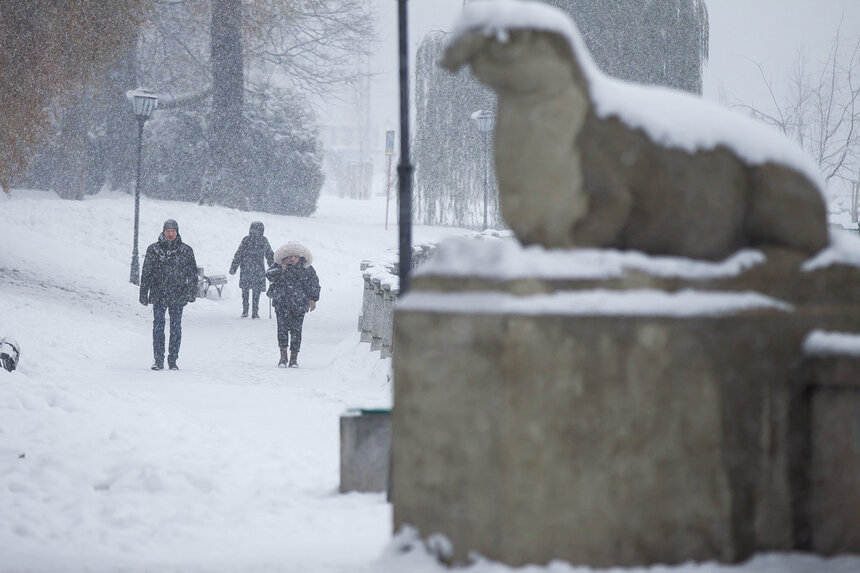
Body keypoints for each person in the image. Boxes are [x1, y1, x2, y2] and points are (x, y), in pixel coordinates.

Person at [139, 219, 198, 371]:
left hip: (178, 293)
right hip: (159, 293)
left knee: (176, 328)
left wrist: (192, 291)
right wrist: (143, 293)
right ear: (163, 232)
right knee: (158, 326)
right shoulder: (154, 249)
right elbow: (146, 272)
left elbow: (192, 273)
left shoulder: (186, 250)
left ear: (177, 232)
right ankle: (158, 360)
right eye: (168, 231)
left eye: (173, 231)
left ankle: (173, 360)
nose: (170, 234)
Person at [266, 242, 320, 368]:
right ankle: (283, 357)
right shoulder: (279, 267)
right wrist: (281, 268)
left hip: (299, 305)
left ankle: (294, 359)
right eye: (290, 257)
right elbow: (269, 275)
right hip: (282, 304)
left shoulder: (307, 269)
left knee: (296, 331)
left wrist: (313, 299)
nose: (293, 259)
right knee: (282, 330)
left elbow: (314, 284)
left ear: (300, 257)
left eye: (295, 257)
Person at [229, 221, 275, 318]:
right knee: (255, 291)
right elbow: (269, 255)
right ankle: (254, 312)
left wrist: (234, 267)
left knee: (246, 290)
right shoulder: (262, 240)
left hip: (247, 268)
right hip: (257, 269)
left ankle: (246, 310)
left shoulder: (247, 240)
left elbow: (238, 254)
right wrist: (272, 265)